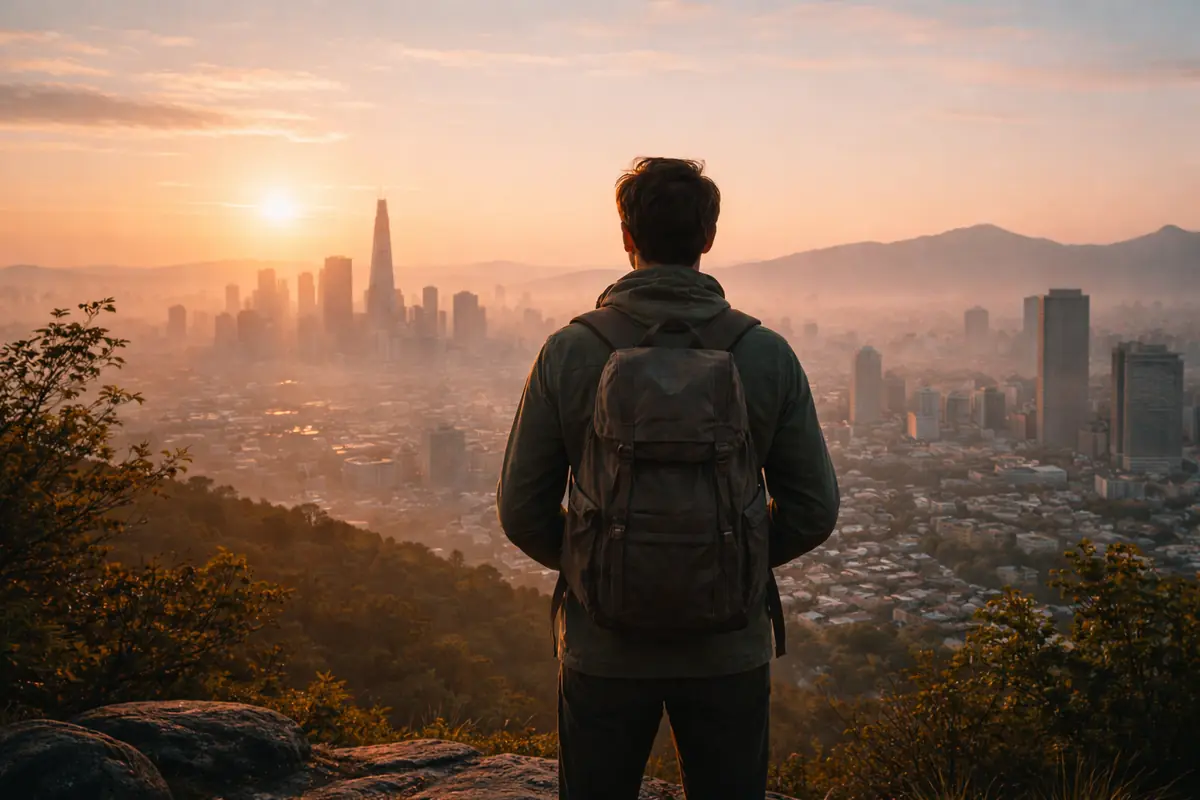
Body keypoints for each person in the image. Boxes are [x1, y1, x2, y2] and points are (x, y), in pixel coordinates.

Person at [497, 157, 839, 800]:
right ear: (709, 237)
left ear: (626, 236)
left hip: (604, 642)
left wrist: (597, 560)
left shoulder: (570, 351)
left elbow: (521, 509)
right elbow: (814, 509)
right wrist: (727, 556)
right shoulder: (763, 353)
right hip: (727, 644)